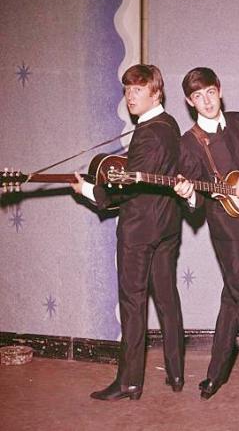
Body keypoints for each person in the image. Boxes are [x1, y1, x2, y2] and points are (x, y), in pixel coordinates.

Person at [72, 64, 184, 400]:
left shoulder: (148, 132)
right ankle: (176, 374)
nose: (130, 96)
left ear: (156, 93)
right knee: (167, 299)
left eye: (137, 90)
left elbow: (129, 187)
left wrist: (89, 191)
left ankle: (129, 383)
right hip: (167, 225)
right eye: (127, 89)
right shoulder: (171, 125)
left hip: (139, 230)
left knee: (133, 303)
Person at [173, 67, 239, 405]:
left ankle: (214, 376)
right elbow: (195, 201)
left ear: (219, 90)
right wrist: (188, 194)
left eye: (210, 92)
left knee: (233, 298)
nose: (206, 101)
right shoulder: (188, 142)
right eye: (198, 96)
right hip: (225, 227)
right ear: (190, 102)